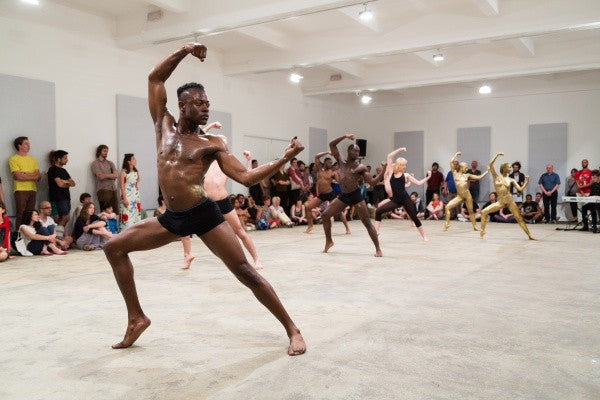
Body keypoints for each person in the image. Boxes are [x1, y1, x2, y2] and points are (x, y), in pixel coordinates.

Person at [103, 43, 305, 355]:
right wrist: (184, 50)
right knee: (114, 247)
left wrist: (284, 158)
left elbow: (247, 177)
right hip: (172, 217)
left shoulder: (211, 144)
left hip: (203, 214)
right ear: (182, 107)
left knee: (245, 272)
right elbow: (155, 79)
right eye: (198, 103)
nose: (205, 108)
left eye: (207, 103)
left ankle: (292, 328)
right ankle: (136, 317)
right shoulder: (163, 126)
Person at [200, 131, 265, 270]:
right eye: (218, 141)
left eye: (223, 143)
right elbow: (200, 135)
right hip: (207, 203)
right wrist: (211, 127)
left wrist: (248, 160)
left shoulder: (226, 163)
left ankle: (256, 259)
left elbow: (246, 176)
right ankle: (188, 255)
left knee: (240, 232)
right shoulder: (205, 160)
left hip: (222, 201)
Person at [321, 134, 385, 256]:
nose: (356, 152)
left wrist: (383, 170)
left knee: (367, 222)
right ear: (349, 151)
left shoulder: (360, 167)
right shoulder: (341, 161)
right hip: (344, 196)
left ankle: (378, 249)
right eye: (354, 150)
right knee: (325, 215)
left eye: (358, 151)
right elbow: (332, 145)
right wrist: (345, 136)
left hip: (356, 195)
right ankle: (329, 241)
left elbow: (372, 182)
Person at [374, 147, 431, 241]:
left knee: (414, 217)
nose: (405, 167)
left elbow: (419, 183)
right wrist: (400, 149)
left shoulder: (406, 175)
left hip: (405, 199)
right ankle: (376, 231)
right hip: (395, 200)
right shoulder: (391, 172)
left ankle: (424, 236)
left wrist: (428, 177)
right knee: (378, 211)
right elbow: (389, 156)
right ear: (400, 165)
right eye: (404, 165)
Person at [480, 152, 534, 240]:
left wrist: (527, 182)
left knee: (519, 218)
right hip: (501, 201)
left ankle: (529, 235)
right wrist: (497, 155)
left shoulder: (511, 179)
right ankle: (482, 230)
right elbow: (490, 164)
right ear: (504, 168)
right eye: (509, 167)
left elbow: (520, 189)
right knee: (484, 212)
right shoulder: (496, 176)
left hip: (510, 201)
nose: (511, 168)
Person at [304, 152, 350, 234]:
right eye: (329, 162)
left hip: (330, 193)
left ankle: (347, 228)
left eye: (331, 163)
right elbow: (317, 156)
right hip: (322, 195)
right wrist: (327, 152)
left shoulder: (333, 172)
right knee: (308, 207)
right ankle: (310, 226)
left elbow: (340, 182)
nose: (331, 164)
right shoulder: (319, 169)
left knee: (339, 211)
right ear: (325, 162)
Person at [444, 152, 489, 231]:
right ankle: (447, 224)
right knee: (447, 207)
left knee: (471, 211)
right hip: (460, 196)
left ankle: (474, 226)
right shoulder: (455, 174)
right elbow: (451, 162)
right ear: (461, 167)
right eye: (466, 167)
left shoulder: (467, 175)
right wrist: (456, 155)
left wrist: (487, 171)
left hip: (467, 195)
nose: (467, 168)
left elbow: (478, 177)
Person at [154, 195, 195, 270]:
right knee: (185, 235)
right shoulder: (160, 211)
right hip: (172, 224)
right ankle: (187, 254)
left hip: (178, 215)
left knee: (185, 234)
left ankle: (187, 254)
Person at [9, 136, 41, 228]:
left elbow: (38, 176)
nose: (29, 145)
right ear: (19, 146)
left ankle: (30, 234)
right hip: (20, 190)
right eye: (26, 144)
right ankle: (19, 236)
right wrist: (32, 175)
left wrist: (25, 174)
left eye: (29, 143)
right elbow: (17, 176)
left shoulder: (32, 159)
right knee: (21, 213)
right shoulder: (14, 159)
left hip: (33, 189)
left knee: (31, 214)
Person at [47, 150, 76, 227]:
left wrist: (64, 181)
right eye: (65, 158)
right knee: (63, 218)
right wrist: (67, 183)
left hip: (66, 197)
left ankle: (59, 236)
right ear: (59, 159)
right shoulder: (53, 169)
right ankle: (58, 236)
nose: (67, 160)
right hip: (58, 198)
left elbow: (73, 183)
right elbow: (59, 184)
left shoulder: (64, 170)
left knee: (65, 218)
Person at [91, 145, 119, 213]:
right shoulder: (95, 163)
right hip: (103, 189)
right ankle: (105, 224)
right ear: (99, 151)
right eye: (104, 151)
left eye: (107, 151)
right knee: (105, 212)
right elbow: (100, 177)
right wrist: (111, 175)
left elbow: (116, 175)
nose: (106, 153)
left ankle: (114, 224)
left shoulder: (110, 163)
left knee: (115, 211)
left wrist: (105, 175)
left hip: (113, 189)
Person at [118, 153, 142, 230]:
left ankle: (136, 232)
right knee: (127, 213)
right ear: (128, 161)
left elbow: (138, 179)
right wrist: (124, 198)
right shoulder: (123, 171)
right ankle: (126, 232)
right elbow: (121, 186)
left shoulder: (136, 170)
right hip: (127, 195)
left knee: (136, 214)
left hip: (135, 195)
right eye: (133, 159)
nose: (135, 160)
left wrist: (136, 185)